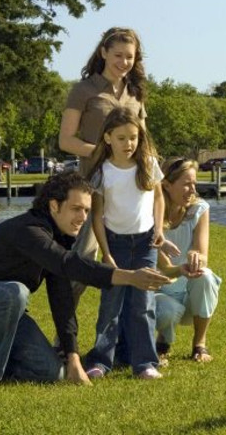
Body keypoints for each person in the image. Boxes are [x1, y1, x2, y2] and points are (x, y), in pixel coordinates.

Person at [0, 172, 170, 387]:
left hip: (4, 312)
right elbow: (68, 264)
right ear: (54, 205)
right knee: (15, 292)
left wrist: (73, 357)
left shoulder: (58, 239)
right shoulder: (29, 231)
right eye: (76, 208)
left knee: (52, 372)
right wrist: (128, 277)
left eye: (86, 210)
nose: (83, 217)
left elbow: (61, 299)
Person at [58, 27, 150, 310]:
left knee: (131, 268)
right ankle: (64, 341)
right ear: (103, 53)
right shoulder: (83, 90)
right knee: (82, 264)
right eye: (118, 55)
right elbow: (66, 140)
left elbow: (143, 142)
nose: (123, 62)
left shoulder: (136, 94)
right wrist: (103, 152)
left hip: (129, 192)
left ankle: (128, 343)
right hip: (91, 188)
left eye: (130, 57)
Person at [83, 107, 167, 379]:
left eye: (133, 137)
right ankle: (101, 361)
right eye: (121, 138)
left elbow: (158, 199)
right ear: (108, 138)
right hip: (115, 245)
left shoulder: (148, 164)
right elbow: (97, 217)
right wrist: (106, 253)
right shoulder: (102, 172)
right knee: (111, 305)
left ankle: (144, 363)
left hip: (145, 244)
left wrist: (159, 229)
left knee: (143, 304)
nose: (128, 144)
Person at [154, 157, 221, 364]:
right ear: (166, 185)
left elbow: (202, 253)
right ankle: (163, 341)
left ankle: (199, 344)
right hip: (160, 291)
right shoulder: (151, 214)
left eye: (194, 184)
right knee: (167, 311)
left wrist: (197, 258)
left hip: (190, 296)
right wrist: (180, 269)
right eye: (186, 184)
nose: (192, 190)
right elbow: (164, 268)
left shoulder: (199, 209)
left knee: (206, 276)